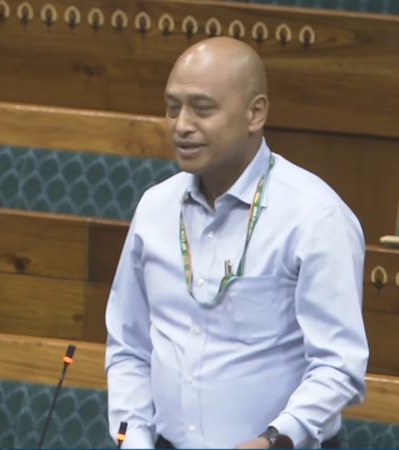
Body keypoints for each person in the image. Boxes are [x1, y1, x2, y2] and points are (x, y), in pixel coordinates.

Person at [105, 36, 369, 449]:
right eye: (173, 107)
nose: (181, 125)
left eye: (202, 108)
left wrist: (271, 440)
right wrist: (134, 440)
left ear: (255, 113)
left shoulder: (315, 216)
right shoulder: (155, 208)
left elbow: (338, 366)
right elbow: (129, 348)